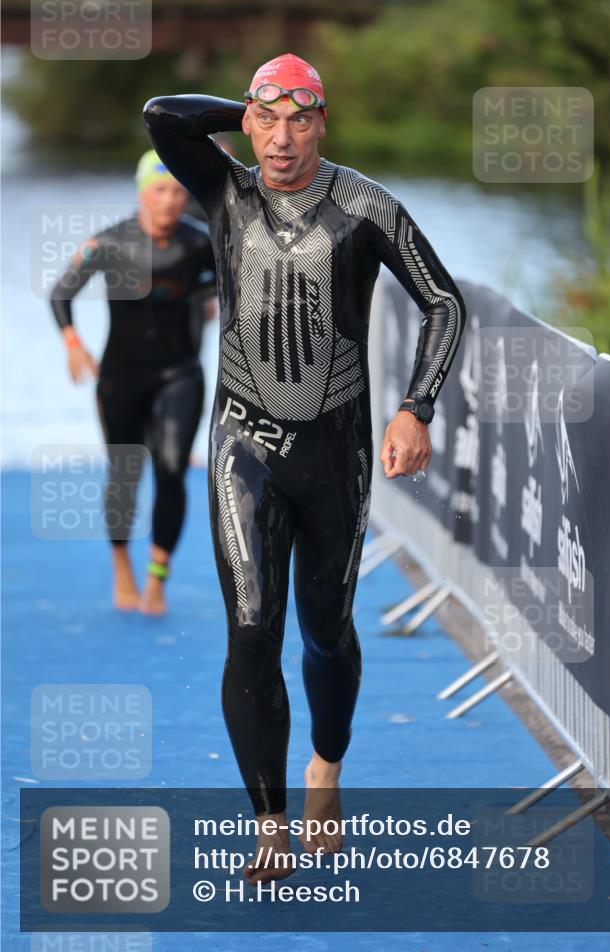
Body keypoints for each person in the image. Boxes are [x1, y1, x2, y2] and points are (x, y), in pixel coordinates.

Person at [143, 53, 466, 881]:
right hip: (241, 446)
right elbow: (162, 115)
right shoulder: (225, 190)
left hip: (337, 451)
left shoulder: (365, 207)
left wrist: (414, 406)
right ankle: (269, 822)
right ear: (248, 123)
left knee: (324, 633)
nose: (282, 139)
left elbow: (443, 301)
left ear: (323, 124)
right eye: (267, 121)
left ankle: (325, 763)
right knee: (252, 631)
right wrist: (249, 102)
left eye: (300, 120)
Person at [49, 150, 217, 615]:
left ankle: (157, 576)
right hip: (121, 377)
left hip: (180, 374)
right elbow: (62, 292)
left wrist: (212, 299)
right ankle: (121, 562)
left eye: (178, 192)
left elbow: (235, 288)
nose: (168, 201)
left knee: (171, 468)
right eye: (160, 190)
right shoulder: (111, 242)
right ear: (142, 192)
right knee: (124, 472)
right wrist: (72, 342)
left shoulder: (200, 243)